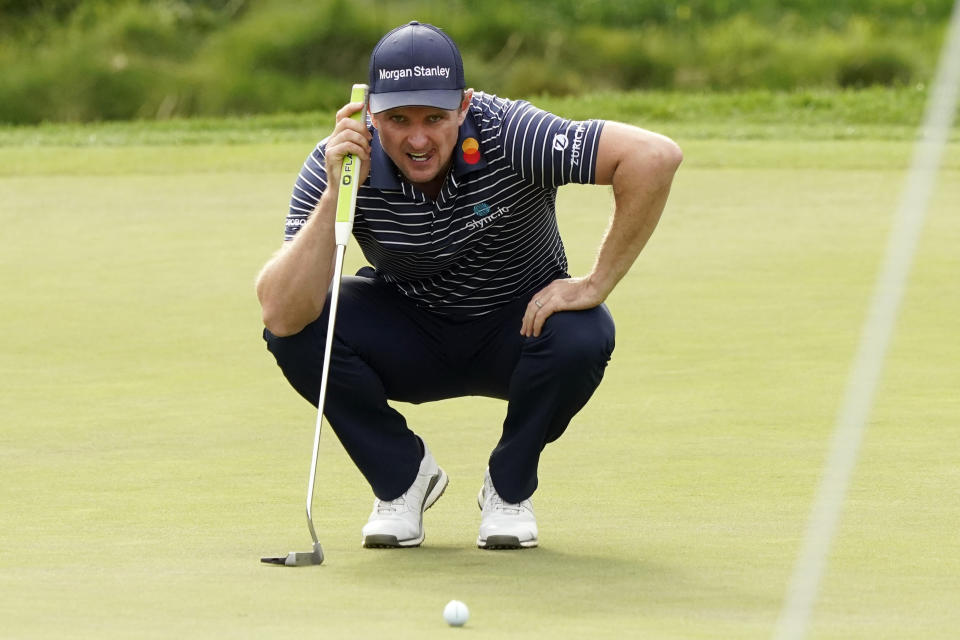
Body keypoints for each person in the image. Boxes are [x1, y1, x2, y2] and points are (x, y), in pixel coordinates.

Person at [256, 21, 682, 550]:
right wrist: (337, 193)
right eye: (398, 119)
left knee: (585, 331)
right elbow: (280, 310)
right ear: (370, 114)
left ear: (465, 105)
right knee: (298, 329)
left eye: (435, 118)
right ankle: (401, 479)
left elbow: (654, 157)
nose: (417, 138)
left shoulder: (512, 132)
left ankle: (509, 490)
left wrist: (595, 283)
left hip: (519, 332)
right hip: (409, 331)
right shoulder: (341, 160)